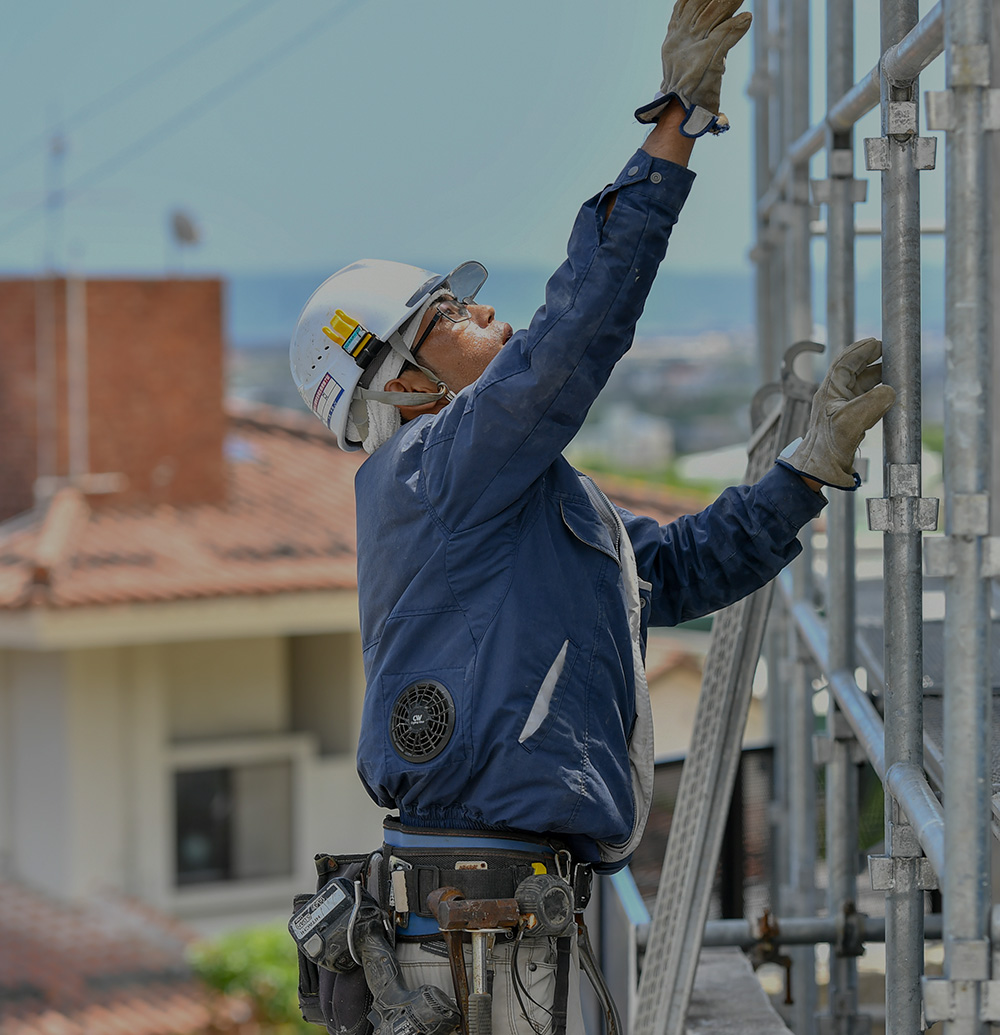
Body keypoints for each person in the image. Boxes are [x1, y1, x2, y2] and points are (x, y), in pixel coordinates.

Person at [289, 1, 895, 1033]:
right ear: (404, 391)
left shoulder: (502, 501)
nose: (485, 311)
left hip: (506, 914)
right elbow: (576, 332)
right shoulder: (436, 468)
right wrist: (672, 127)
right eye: (448, 316)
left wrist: (809, 468)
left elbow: (669, 573)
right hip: (475, 925)